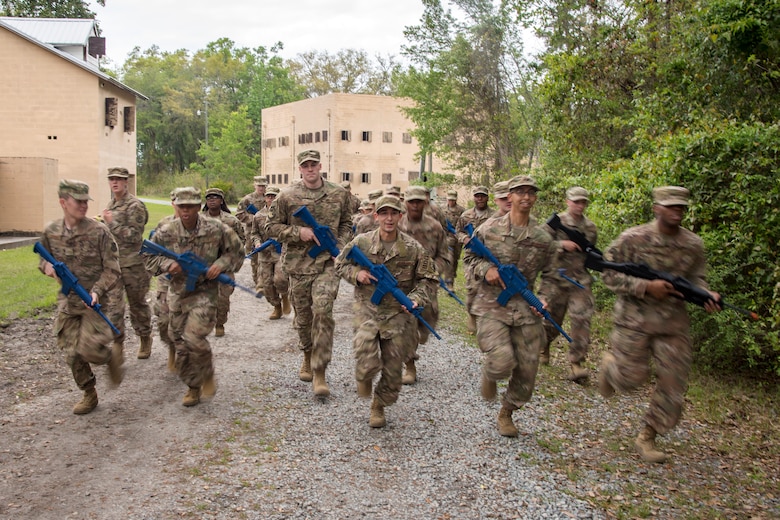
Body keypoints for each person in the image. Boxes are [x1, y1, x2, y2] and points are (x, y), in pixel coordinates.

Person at [598, 186, 721, 463]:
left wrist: (706, 295)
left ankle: (647, 436)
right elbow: (607, 274)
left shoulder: (693, 244)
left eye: (681, 207)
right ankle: (610, 368)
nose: (677, 211)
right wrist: (645, 286)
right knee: (631, 380)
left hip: (672, 325)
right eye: (671, 206)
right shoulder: (633, 239)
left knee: (673, 383)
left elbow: (697, 279)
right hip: (634, 320)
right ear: (656, 208)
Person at [463, 175, 559, 437]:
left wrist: (545, 296)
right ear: (510, 196)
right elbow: (470, 258)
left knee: (528, 368)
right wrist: (487, 269)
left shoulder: (543, 237)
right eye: (520, 192)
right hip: (492, 305)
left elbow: (552, 275)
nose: (525, 197)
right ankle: (492, 373)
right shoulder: (489, 229)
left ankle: (507, 411)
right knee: (502, 359)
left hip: (526, 309)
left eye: (531, 193)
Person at [335, 196, 438, 427]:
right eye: (384, 213)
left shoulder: (413, 248)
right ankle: (364, 376)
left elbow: (429, 279)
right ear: (376, 216)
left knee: (393, 372)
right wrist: (356, 275)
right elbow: (339, 264)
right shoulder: (361, 242)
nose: (389, 218)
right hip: (367, 310)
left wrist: (415, 298)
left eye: (394, 213)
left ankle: (379, 406)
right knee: (366, 360)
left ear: (400, 216)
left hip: (399, 316)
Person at [144, 187, 244, 407]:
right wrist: (167, 264)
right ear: (176, 207)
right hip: (178, 293)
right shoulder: (166, 231)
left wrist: (220, 265)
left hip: (205, 293)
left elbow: (237, 252)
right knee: (179, 341)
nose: (186, 211)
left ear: (199, 207)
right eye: (182, 206)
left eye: (190, 206)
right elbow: (148, 257)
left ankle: (202, 374)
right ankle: (193, 385)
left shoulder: (216, 228)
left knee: (194, 337)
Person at [265, 149, 353, 397]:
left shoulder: (338, 193)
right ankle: (306, 355)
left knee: (323, 312)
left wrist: (340, 245)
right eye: (306, 165)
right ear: (300, 169)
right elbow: (270, 226)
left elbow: (347, 222)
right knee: (304, 319)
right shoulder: (287, 195)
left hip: (328, 263)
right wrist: (298, 233)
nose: (311, 169)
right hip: (298, 266)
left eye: (314, 164)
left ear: (320, 166)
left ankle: (320, 372)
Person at [39, 180, 124, 414]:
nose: (84, 205)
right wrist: (47, 267)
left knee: (89, 350)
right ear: (63, 202)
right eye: (79, 201)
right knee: (71, 352)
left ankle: (109, 356)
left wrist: (96, 291)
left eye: (86, 201)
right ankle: (89, 393)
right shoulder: (51, 231)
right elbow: (42, 259)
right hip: (69, 303)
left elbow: (112, 268)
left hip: (95, 302)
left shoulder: (99, 232)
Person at [541, 186, 597, 381]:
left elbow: (590, 254)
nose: (579, 205)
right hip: (556, 279)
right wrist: (560, 245)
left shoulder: (590, 227)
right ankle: (543, 346)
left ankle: (576, 363)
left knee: (582, 318)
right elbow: (539, 243)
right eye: (576, 201)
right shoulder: (556, 223)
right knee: (551, 320)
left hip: (580, 280)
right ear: (567, 202)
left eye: (583, 202)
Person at [397, 186, 451, 384]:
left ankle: (419, 337)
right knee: (407, 322)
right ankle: (409, 365)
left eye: (419, 201)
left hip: (426, 283)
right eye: (412, 201)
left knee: (427, 321)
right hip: (402, 283)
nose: (415, 205)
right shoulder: (397, 225)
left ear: (425, 203)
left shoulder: (435, 227)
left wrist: (431, 271)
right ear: (405, 202)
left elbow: (445, 255)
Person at [102, 167, 153, 360]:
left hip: (133, 264)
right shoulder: (112, 204)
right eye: (112, 179)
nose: (114, 182)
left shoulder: (135, 206)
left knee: (137, 304)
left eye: (119, 179)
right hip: (113, 265)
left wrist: (111, 223)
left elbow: (134, 235)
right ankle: (117, 344)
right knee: (114, 306)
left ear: (126, 182)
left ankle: (145, 337)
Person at [203, 187, 245, 337]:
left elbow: (241, 241)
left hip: (225, 267)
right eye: (209, 197)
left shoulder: (231, 221)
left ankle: (220, 323)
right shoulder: (198, 219)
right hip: (203, 266)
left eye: (215, 197)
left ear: (221, 201)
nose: (212, 199)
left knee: (223, 298)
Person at [456, 186, 495, 333]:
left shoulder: (494, 215)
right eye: (477, 196)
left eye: (483, 196)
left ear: (487, 198)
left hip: (488, 256)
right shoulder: (466, 215)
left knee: (488, 288)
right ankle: (472, 316)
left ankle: (487, 320)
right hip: (471, 257)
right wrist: (464, 238)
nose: (480, 199)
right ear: (474, 198)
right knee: (472, 288)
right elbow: (457, 231)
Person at [249, 186, 291, 320]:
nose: (271, 199)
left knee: (280, 279)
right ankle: (276, 306)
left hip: (280, 253)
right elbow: (254, 233)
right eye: (269, 196)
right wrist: (257, 243)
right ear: (265, 198)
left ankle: (285, 296)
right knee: (266, 285)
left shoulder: (285, 216)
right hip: (265, 254)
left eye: (274, 196)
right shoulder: (259, 215)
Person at [151, 189, 180, 372]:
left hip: (189, 280)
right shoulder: (164, 224)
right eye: (178, 203)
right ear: (172, 204)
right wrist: (167, 264)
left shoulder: (203, 226)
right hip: (166, 277)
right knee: (163, 319)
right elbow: (152, 254)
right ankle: (171, 347)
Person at [236, 175, 268, 294]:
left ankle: (265, 282)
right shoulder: (247, 199)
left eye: (263, 186)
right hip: (252, 232)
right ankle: (258, 282)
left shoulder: (270, 197)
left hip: (267, 233)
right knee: (255, 258)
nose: (261, 188)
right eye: (259, 186)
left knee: (268, 257)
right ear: (254, 185)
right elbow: (239, 214)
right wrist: (254, 218)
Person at [442, 189, 465, 285]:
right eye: (449, 200)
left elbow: (464, 225)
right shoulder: (442, 210)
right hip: (446, 239)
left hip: (457, 239)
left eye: (453, 200)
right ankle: (449, 283)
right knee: (449, 260)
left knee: (455, 260)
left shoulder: (461, 211)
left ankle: (452, 276)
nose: (451, 202)